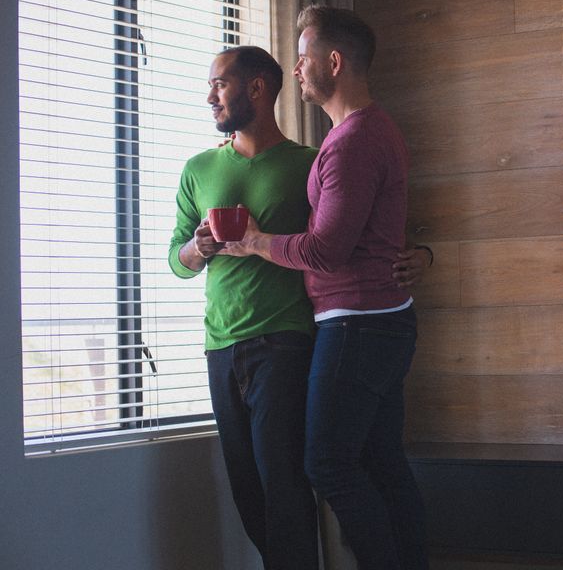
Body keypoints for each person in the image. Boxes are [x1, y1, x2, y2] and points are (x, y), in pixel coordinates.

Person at [168, 46, 429, 570]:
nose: (210, 96)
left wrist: (422, 254)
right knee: (248, 491)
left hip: (286, 341)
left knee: (287, 483)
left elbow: (366, 229)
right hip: (219, 348)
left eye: (220, 84)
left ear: (257, 89)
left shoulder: (310, 163)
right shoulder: (197, 169)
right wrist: (201, 246)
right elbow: (178, 260)